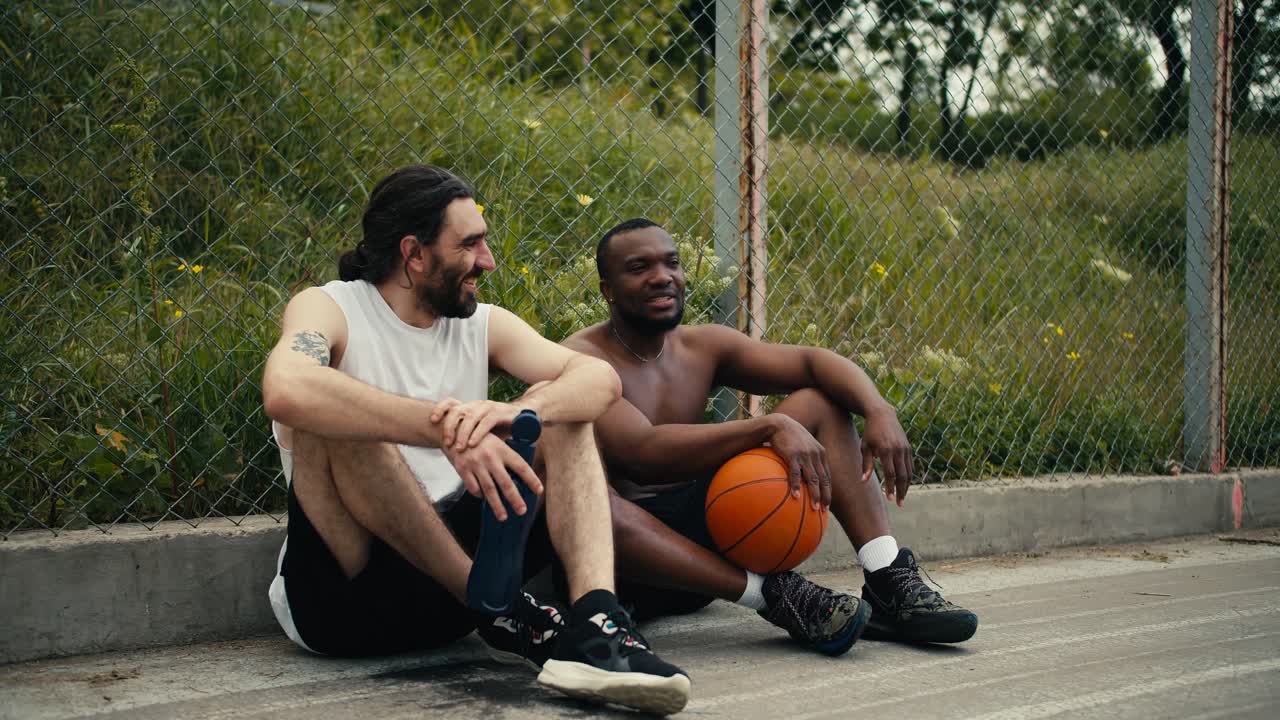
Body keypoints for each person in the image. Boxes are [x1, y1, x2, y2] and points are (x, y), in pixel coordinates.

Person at [261, 169, 689, 715]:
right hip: (342, 604)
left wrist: (510, 415)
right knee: (333, 416)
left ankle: (596, 629)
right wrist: (445, 428)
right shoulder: (330, 307)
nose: (487, 260)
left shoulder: (482, 324)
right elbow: (287, 387)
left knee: (563, 414)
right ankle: (507, 612)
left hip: (458, 599)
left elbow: (598, 381)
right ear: (414, 254)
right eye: (470, 244)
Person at [563, 218, 978, 654]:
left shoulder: (699, 346)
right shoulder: (579, 358)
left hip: (711, 543)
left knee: (821, 404)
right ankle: (776, 595)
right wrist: (767, 425)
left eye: (672, 263)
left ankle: (886, 574)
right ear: (607, 288)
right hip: (626, 564)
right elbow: (642, 454)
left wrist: (879, 409)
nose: (662, 276)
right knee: (595, 502)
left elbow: (814, 362)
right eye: (639, 267)